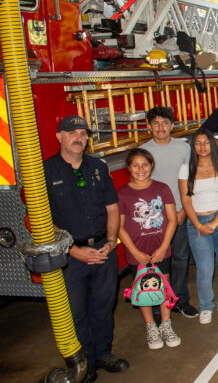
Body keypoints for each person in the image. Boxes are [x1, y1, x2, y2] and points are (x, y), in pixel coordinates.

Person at [44, 115, 128, 378]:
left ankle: (103, 353)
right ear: (59, 137)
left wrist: (111, 243)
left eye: (83, 134)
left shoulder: (97, 168)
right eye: (72, 133)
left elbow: (112, 207)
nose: (79, 138)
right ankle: (86, 365)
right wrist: (73, 250)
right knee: (77, 314)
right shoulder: (45, 172)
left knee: (103, 307)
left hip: (103, 249)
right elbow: (42, 220)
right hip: (70, 257)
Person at [117, 148, 180, 349]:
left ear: (151, 165)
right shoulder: (122, 194)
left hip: (160, 250)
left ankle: (166, 324)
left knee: (164, 287)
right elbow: (119, 227)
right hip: (138, 252)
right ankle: (151, 327)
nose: (140, 169)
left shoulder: (162, 189)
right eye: (135, 165)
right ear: (128, 168)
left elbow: (172, 220)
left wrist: (163, 247)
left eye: (144, 164)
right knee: (143, 288)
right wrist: (135, 252)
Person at [141, 107, 199, 318]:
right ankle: (157, 303)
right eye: (155, 123)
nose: (161, 128)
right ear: (149, 126)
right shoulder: (144, 151)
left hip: (179, 212)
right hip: (154, 218)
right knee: (156, 260)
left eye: (165, 123)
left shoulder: (184, 148)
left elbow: (191, 179)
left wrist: (184, 208)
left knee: (180, 257)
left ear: (172, 125)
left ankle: (180, 299)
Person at [178, 129, 218, 324]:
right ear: (193, 147)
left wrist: (215, 222)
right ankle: (206, 306)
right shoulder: (186, 169)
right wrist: (198, 225)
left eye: (206, 142)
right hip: (197, 224)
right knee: (204, 267)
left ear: (212, 145)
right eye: (198, 143)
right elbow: (186, 201)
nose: (202, 146)